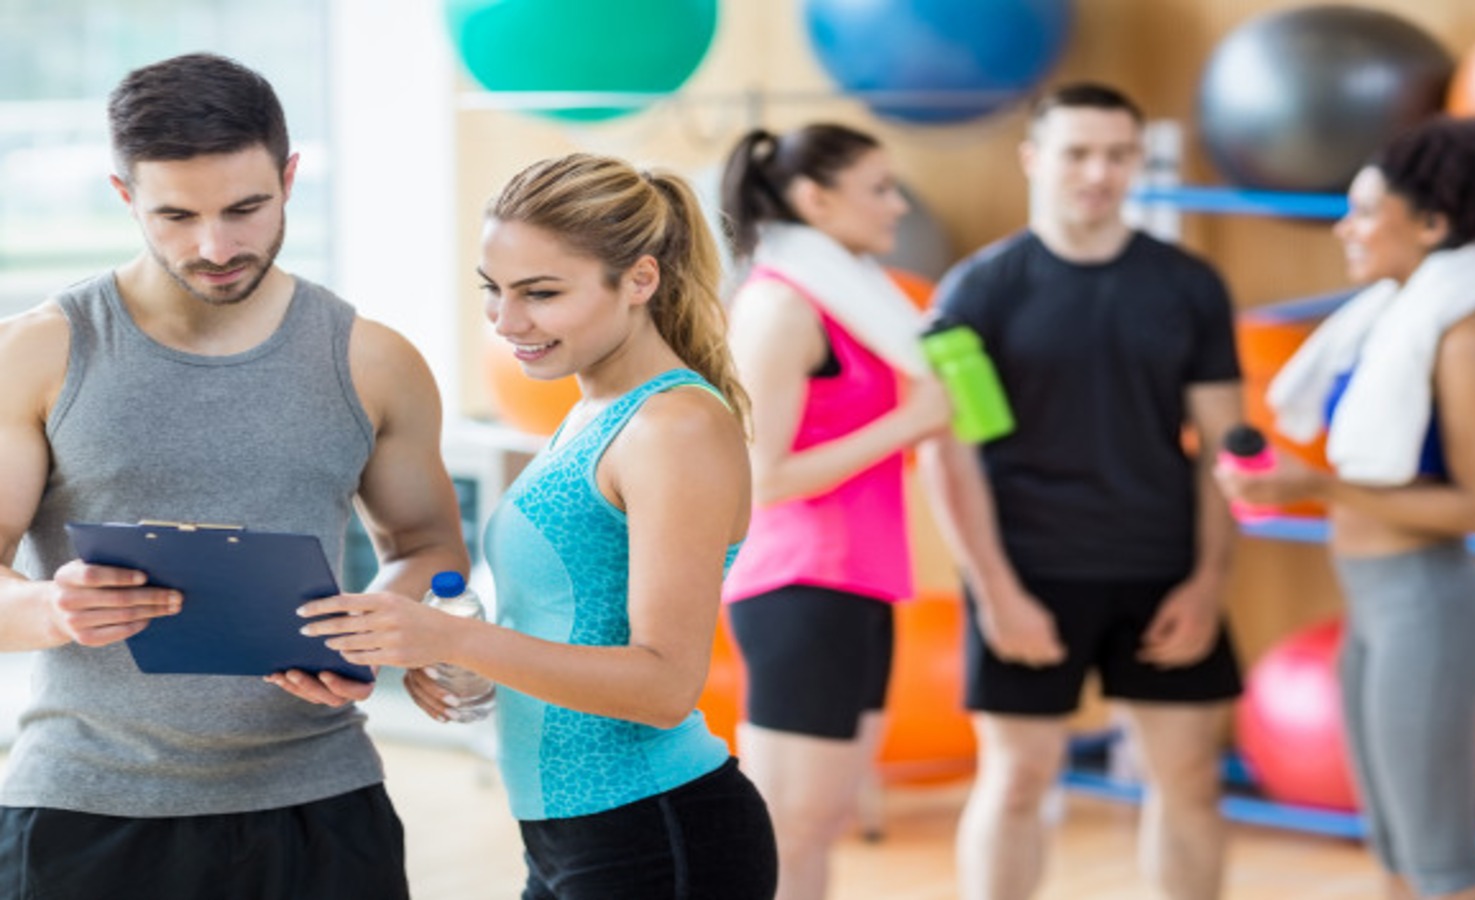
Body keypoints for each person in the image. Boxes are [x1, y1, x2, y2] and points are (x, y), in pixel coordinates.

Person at [0, 53, 468, 898]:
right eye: (175, 215)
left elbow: (429, 545)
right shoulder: (37, 353)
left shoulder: (373, 360)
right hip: (85, 806)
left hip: (322, 803)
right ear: (124, 196)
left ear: (290, 177)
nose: (215, 247)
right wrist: (47, 606)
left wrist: (371, 624)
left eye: (246, 208)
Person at [301, 152, 779, 899]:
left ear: (640, 281)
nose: (506, 321)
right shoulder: (595, 411)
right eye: (493, 290)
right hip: (575, 836)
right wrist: (470, 659)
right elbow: (575, 627)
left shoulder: (674, 426)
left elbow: (665, 685)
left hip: (655, 833)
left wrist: (457, 638)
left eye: (541, 293)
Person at [921, 82, 1245, 900]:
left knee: (1191, 783)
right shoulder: (979, 290)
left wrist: (1208, 583)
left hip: (1162, 566)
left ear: (1139, 161)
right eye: (1077, 152)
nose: (1098, 172)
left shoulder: (1189, 285)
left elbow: (1224, 451)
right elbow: (948, 456)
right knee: (1019, 779)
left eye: (1118, 153)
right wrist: (996, 591)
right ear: (1035, 159)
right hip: (1030, 567)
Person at [1218, 115, 1475, 900]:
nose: (1344, 228)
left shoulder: (1464, 336)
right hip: (1377, 611)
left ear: (1432, 225)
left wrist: (1317, 487)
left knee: (1441, 864)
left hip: (1431, 611)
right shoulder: (1384, 319)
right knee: (1396, 853)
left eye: (1365, 212)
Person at [716, 124, 950, 900]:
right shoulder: (780, 309)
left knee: (819, 825)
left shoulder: (852, 301)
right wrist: (911, 422)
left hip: (861, 584)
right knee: (786, 829)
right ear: (815, 198)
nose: (899, 204)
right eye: (879, 188)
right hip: (800, 586)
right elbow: (762, 476)